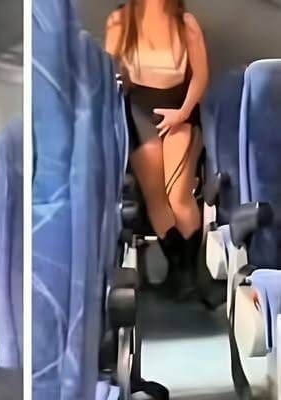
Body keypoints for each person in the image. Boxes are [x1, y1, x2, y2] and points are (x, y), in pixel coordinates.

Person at [105, 0, 209, 300]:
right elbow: (106, 72)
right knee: (156, 200)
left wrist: (182, 113)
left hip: (180, 111)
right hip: (139, 112)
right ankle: (179, 271)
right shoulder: (120, 21)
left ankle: (190, 272)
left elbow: (201, 76)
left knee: (178, 196)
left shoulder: (186, 24)